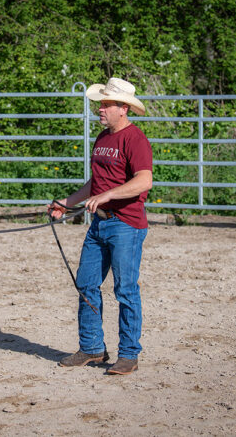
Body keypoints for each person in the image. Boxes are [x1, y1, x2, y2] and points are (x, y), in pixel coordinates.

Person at [48, 77, 152, 375]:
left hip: (126, 226)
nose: (101, 109)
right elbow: (96, 182)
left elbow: (144, 180)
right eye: (101, 104)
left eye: (106, 105)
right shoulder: (103, 138)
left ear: (123, 108)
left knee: (126, 290)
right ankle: (92, 347)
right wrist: (67, 202)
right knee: (86, 283)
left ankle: (129, 354)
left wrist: (107, 196)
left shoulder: (135, 140)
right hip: (99, 225)